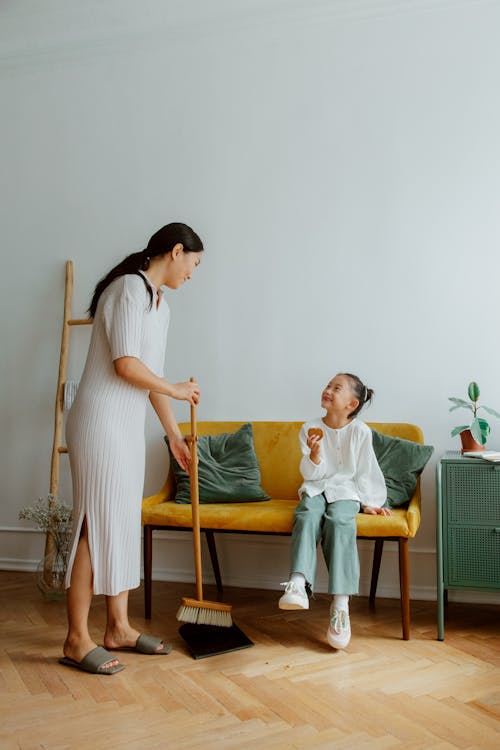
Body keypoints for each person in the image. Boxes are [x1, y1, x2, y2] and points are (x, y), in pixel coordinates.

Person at [59, 222, 203, 675]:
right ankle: (75, 639)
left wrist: (174, 435)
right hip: (99, 422)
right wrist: (179, 390)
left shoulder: (160, 305)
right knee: (93, 525)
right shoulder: (128, 289)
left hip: (125, 427)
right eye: (193, 264)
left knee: (120, 522)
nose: (192, 275)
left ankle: (118, 626)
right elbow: (125, 365)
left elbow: (150, 377)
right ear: (176, 252)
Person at [278, 373, 390, 650]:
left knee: (340, 523)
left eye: (336, 388)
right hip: (316, 487)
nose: (327, 390)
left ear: (351, 404)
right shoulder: (310, 428)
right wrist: (314, 457)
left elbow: (365, 470)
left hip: (347, 491)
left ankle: (341, 605)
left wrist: (370, 502)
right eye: (328, 385)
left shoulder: (361, 432)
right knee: (306, 514)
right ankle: (298, 582)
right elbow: (310, 472)